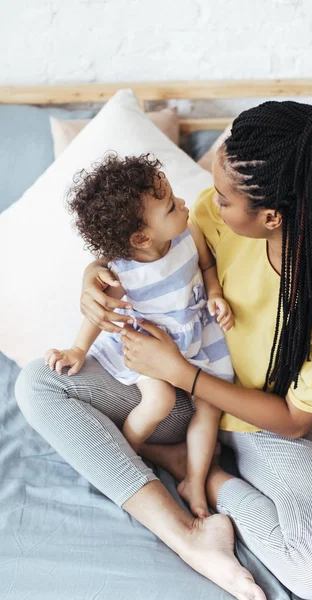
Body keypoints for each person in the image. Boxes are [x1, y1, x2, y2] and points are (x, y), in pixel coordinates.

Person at [16, 99, 312, 600]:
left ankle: (202, 475)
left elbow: (295, 421)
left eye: (222, 196)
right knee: (38, 384)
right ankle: (186, 533)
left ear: (273, 217)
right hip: (181, 393)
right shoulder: (222, 218)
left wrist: (181, 373)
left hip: (270, 425)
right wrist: (97, 273)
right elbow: (156, 252)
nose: (207, 201)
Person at [43, 153, 234, 519]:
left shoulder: (189, 233)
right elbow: (102, 313)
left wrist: (215, 294)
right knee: (158, 400)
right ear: (141, 236)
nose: (182, 204)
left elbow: (207, 266)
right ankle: (126, 455)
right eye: (170, 207)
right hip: (147, 346)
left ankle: (194, 479)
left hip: (195, 337)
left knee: (211, 403)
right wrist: (78, 349)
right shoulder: (123, 272)